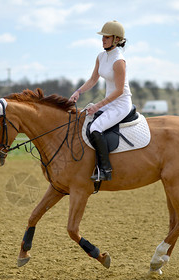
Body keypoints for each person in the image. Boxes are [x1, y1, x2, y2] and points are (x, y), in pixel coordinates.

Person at [69, 20, 133, 181]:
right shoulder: (101, 56)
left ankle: (105, 169)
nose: (103, 39)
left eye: (107, 37)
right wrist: (78, 92)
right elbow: (92, 79)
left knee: (95, 128)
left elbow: (119, 90)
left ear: (116, 39)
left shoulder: (119, 61)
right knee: (84, 121)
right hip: (109, 102)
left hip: (121, 103)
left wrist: (98, 105)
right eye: (102, 36)